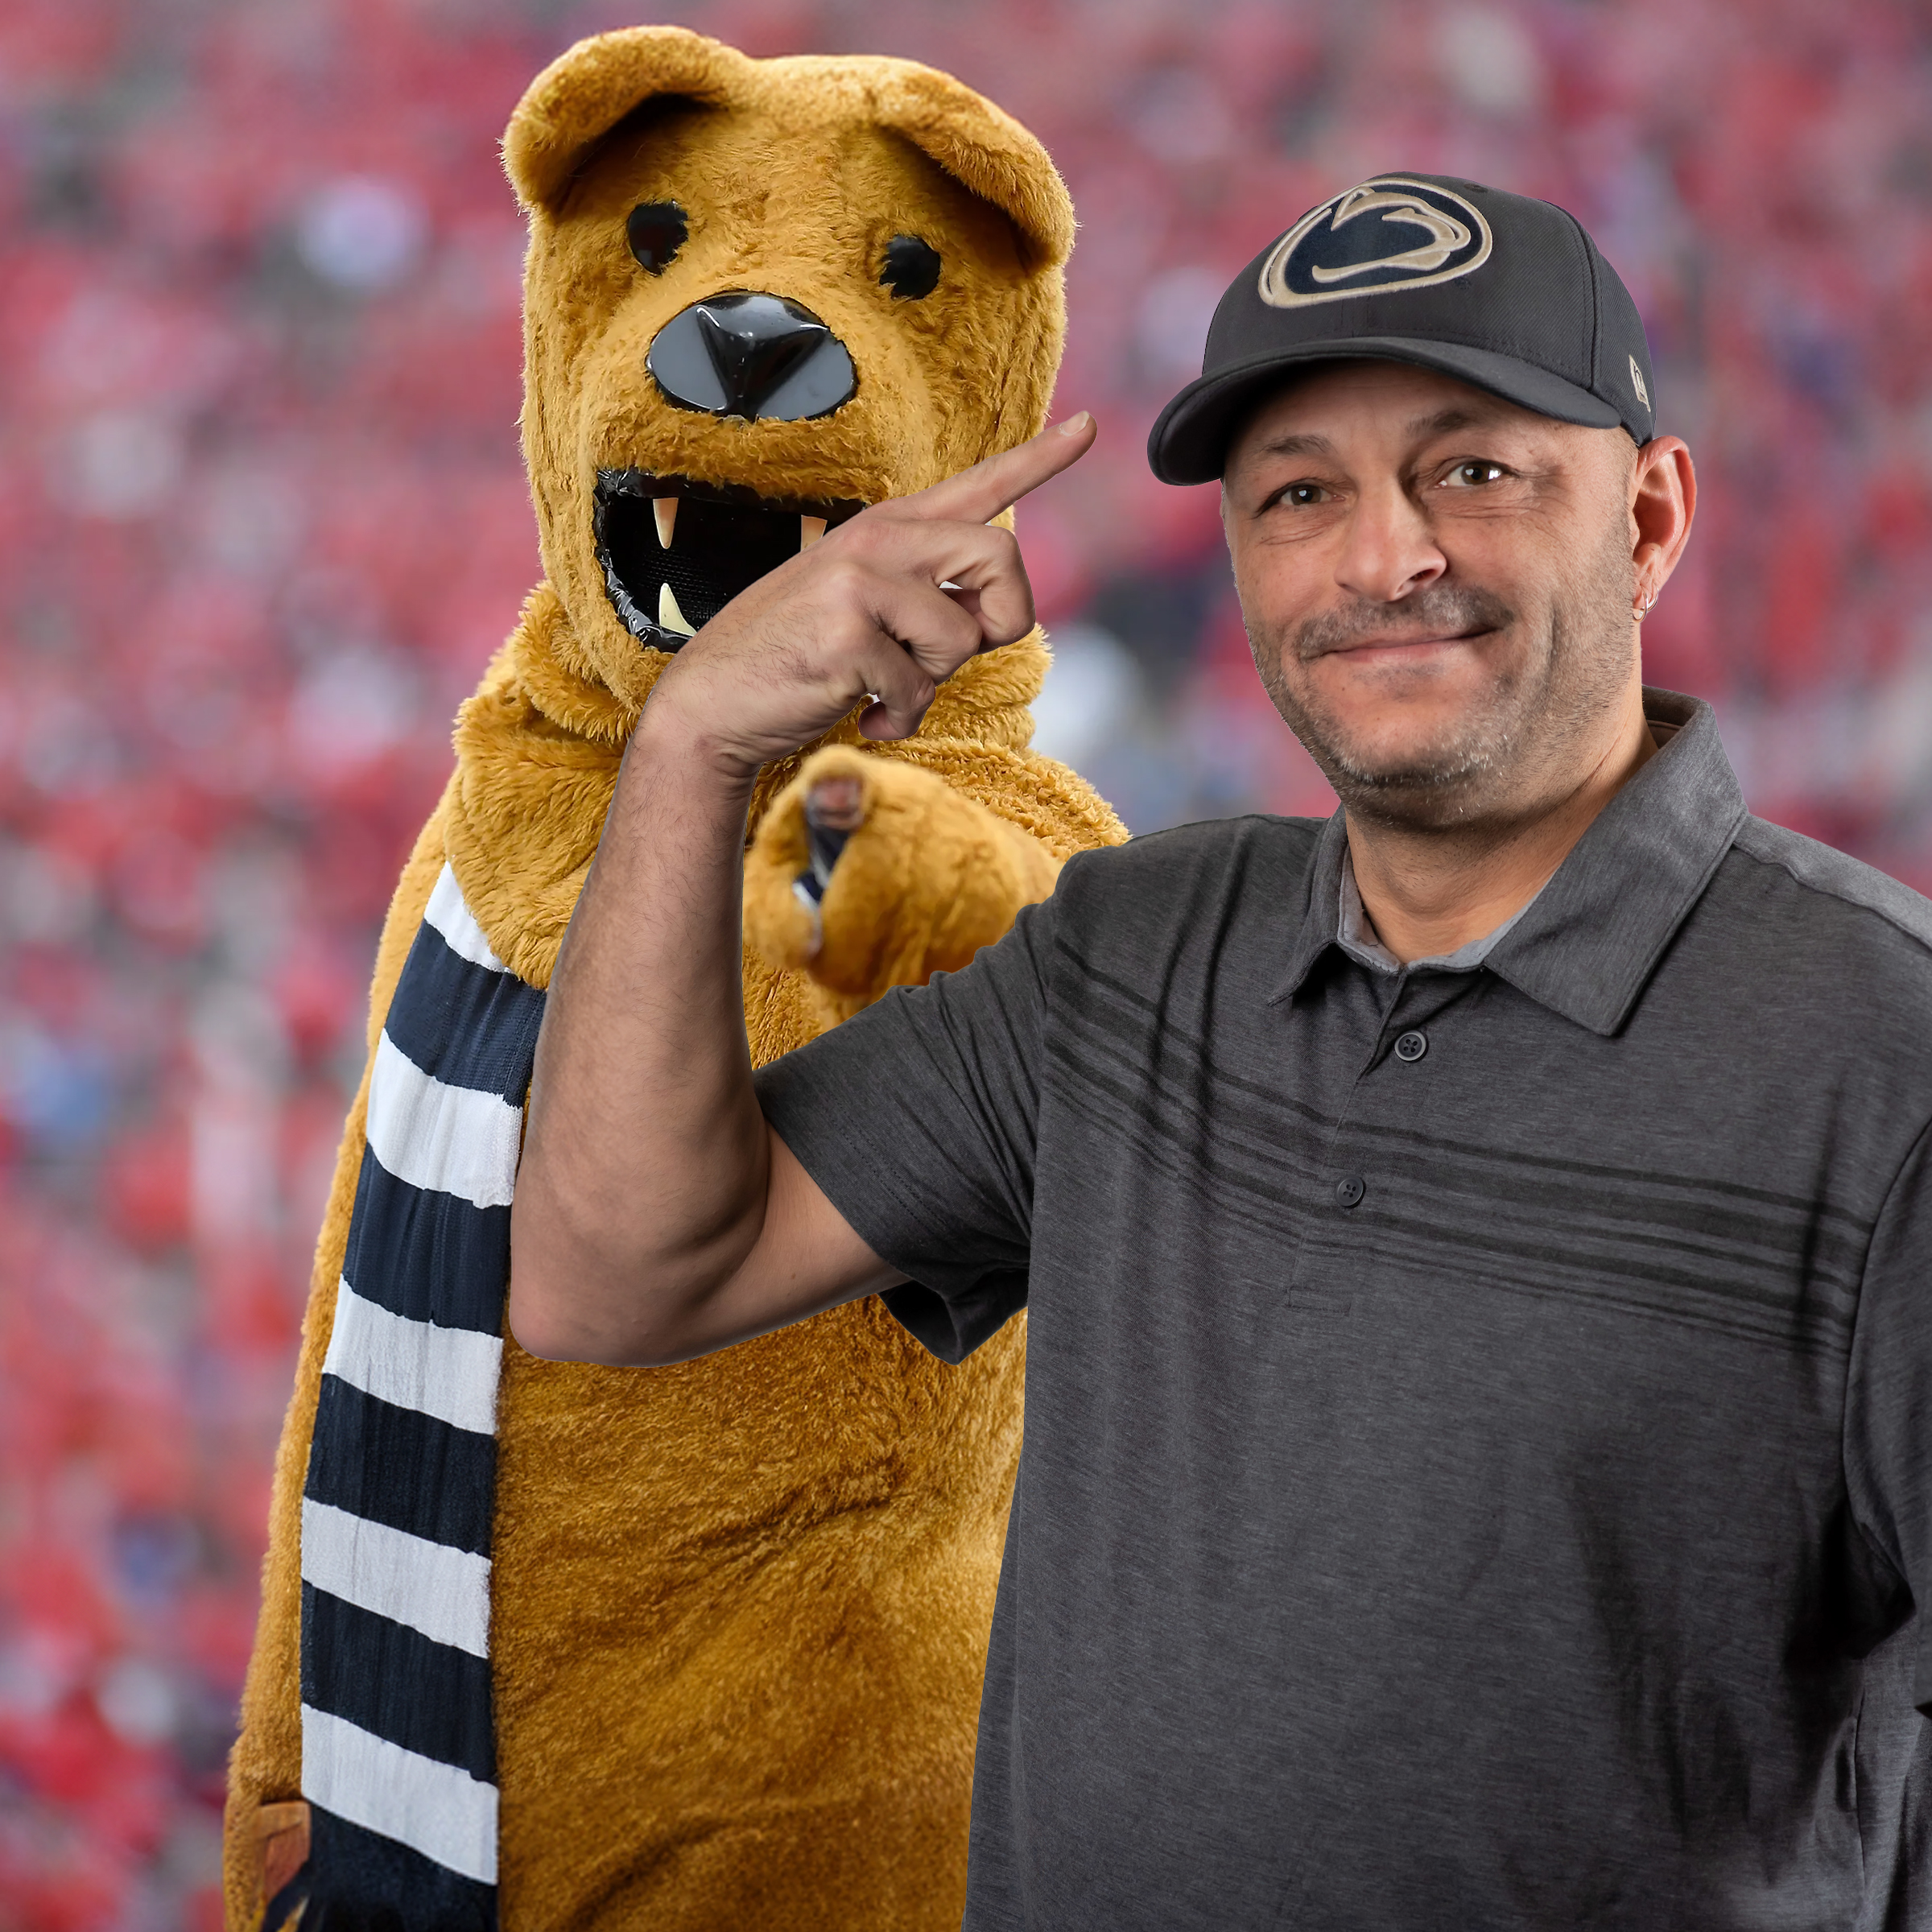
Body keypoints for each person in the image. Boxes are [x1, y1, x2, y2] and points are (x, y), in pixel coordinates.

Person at [508, 174, 1932, 1929]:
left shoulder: (1887, 1058)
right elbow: (614, 1272)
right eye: (1299, 493)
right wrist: (700, 740)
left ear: (1648, 519)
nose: (1382, 557)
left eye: (1472, 470)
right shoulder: (1126, 952)